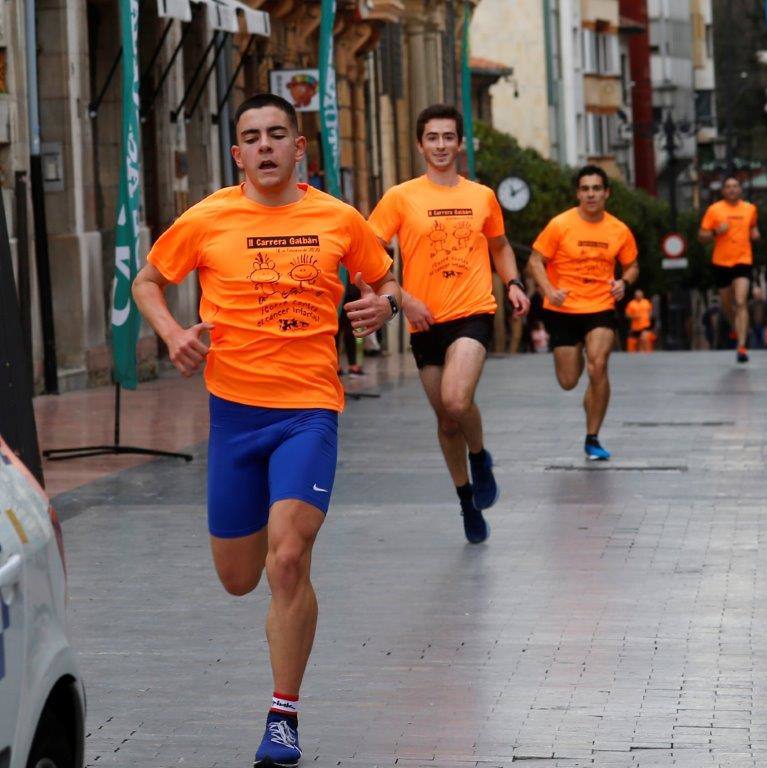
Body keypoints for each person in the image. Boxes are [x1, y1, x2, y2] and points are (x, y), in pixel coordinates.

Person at [131, 93, 401, 768]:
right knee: (238, 576)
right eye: (251, 137)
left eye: (277, 134)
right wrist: (172, 335)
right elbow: (147, 281)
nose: (265, 146)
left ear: (298, 145)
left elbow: (387, 280)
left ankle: (283, 716)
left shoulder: (337, 218)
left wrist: (382, 306)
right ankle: (282, 662)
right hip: (234, 419)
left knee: (288, 558)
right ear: (237, 153)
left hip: (309, 410)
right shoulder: (209, 217)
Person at [368, 104, 529, 544]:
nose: (441, 146)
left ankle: (480, 458)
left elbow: (499, 246)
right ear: (421, 145)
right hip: (424, 322)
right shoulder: (401, 197)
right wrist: (402, 298)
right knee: (445, 422)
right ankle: (465, 501)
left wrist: (512, 282)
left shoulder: (482, 196)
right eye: (432, 138)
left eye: (448, 138)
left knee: (457, 402)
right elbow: (366, 255)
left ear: (461, 144)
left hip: (473, 312)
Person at [528, 165, 639, 461]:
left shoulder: (619, 230)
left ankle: (592, 437)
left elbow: (632, 265)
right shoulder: (559, 225)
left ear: (606, 193)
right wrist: (548, 290)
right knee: (568, 381)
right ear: (578, 193)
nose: (591, 194)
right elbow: (535, 261)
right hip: (563, 308)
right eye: (585, 189)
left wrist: (623, 282)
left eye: (596, 188)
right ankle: (591, 400)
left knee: (598, 366)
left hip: (600, 306)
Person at [698, 177, 760, 363]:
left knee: (741, 301)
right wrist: (716, 232)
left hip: (743, 260)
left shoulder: (750, 209)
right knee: (726, 304)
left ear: (740, 189)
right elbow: (701, 236)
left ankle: (741, 346)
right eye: (728, 187)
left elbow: (754, 228)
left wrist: (756, 234)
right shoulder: (714, 210)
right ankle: (738, 327)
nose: (732, 189)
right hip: (721, 262)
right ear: (723, 191)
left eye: (735, 186)